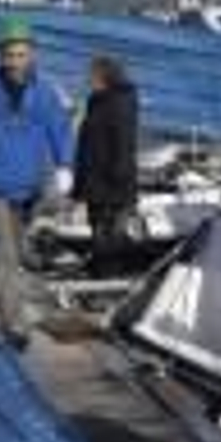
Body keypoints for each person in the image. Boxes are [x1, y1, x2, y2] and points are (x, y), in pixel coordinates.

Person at [0, 16, 74, 350]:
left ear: (32, 53)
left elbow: (59, 128)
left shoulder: (44, 92)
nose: (15, 60)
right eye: (9, 53)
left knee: (11, 255)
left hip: (27, 188)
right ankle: (16, 325)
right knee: (4, 257)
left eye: (21, 53)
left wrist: (65, 165)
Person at [72, 55, 139, 277]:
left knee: (110, 237)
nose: (88, 79)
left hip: (112, 185)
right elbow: (87, 141)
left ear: (105, 75)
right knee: (98, 232)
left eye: (92, 74)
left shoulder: (121, 101)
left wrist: (118, 178)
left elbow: (124, 141)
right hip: (95, 182)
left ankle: (110, 278)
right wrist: (80, 184)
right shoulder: (96, 100)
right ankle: (101, 275)